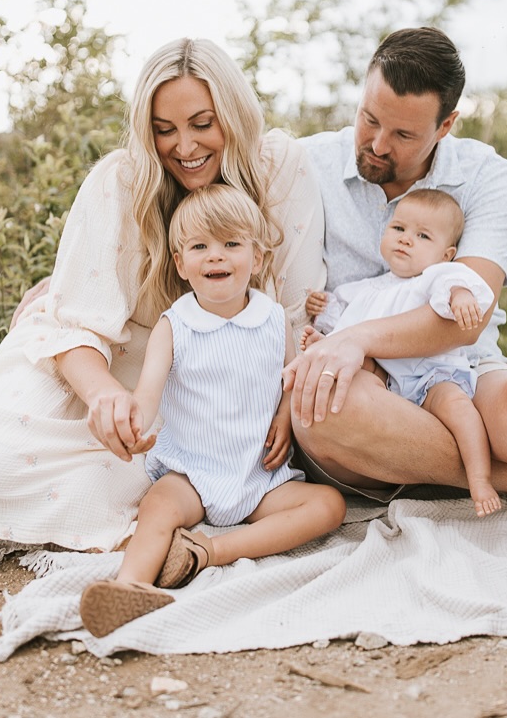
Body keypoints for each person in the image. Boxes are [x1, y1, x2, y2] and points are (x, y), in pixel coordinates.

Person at [0, 38, 326, 552]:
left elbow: (295, 311)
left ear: (234, 116)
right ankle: (162, 521)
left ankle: (184, 526)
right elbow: (78, 322)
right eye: (164, 130)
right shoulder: (122, 179)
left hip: (242, 371)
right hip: (125, 357)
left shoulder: (280, 166)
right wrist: (104, 395)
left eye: (202, 123)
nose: (185, 147)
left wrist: (278, 407)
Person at [285, 26, 507, 573]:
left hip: (453, 366)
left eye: (402, 134)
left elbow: (468, 319)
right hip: (361, 390)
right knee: (320, 404)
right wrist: (342, 348)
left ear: (445, 126)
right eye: (369, 119)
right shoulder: (304, 165)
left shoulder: (487, 174)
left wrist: (356, 338)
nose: (376, 144)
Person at [79, 185, 345, 637]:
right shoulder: (174, 325)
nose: (215, 257)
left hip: (260, 477)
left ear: (257, 258)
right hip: (192, 474)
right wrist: (135, 425)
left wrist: (283, 416)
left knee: (328, 505)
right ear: (181, 264)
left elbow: (286, 380)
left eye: (231, 244)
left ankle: (207, 551)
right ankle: (130, 587)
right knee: (158, 504)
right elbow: (147, 395)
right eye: (200, 246)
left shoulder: (274, 317)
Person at [302, 188, 501, 518]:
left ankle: (479, 478)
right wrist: (320, 322)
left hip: (431, 375)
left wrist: (462, 296)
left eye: (423, 235)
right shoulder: (366, 287)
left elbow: (456, 284)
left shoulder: (432, 278)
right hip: (388, 384)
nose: (406, 239)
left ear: (445, 254)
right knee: (354, 370)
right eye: (399, 229)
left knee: (459, 409)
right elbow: (345, 327)